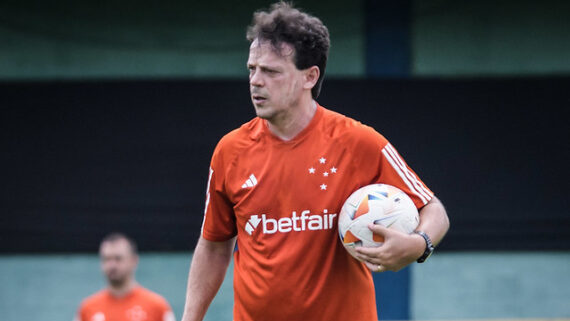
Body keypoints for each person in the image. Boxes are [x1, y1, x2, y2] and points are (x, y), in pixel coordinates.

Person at [181, 2, 450, 321]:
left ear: (310, 76)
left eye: (271, 71)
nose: (255, 81)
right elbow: (213, 245)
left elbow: (433, 210)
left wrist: (419, 244)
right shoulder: (230, 150)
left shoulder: (358, 142)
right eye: (252, 69)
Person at [74, 233, 175, 321]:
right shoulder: (87, 309)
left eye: (118, 259)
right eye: (106, 259)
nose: (112, 265)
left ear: (134, 261)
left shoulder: (157, 307)